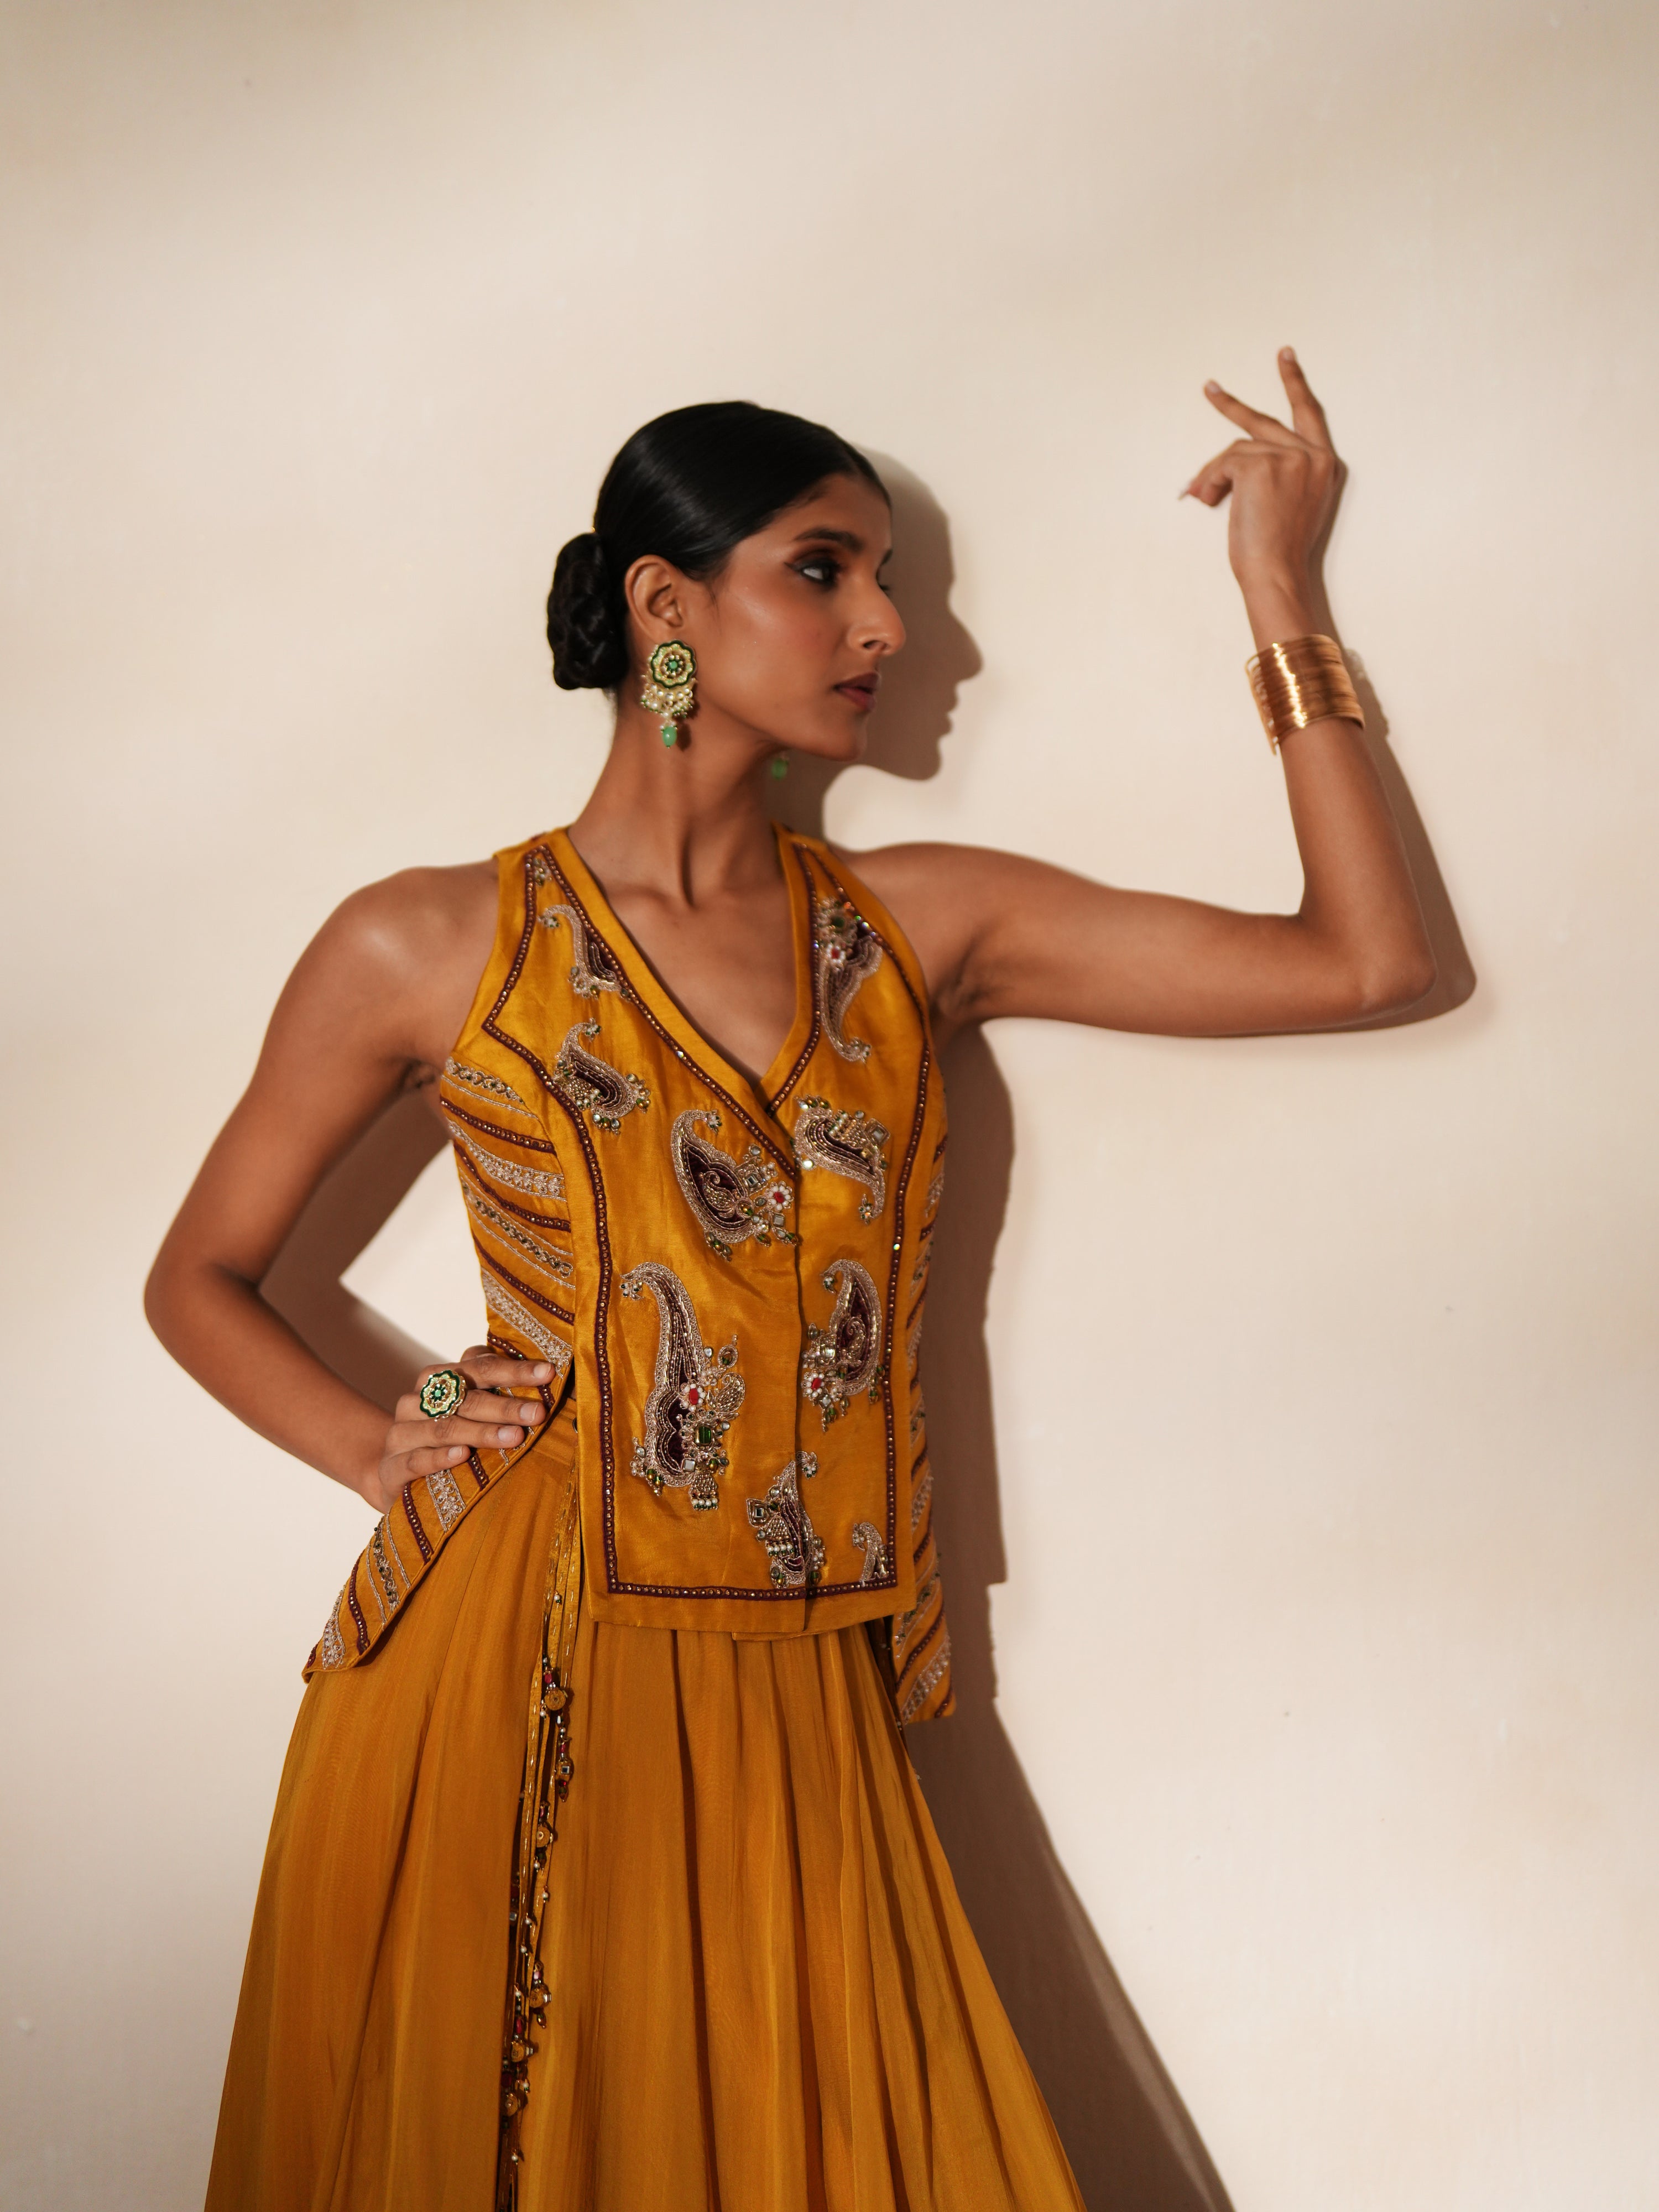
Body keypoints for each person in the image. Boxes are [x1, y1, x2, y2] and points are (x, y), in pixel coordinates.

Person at [147, 357, 1435, 2212]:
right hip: (519, 1650)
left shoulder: (920, 924)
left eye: (888, 576)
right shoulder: (429, 939)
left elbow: (1366, 964)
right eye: (825, 570)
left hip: (814, 1662)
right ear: (666, 609)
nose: (897, 630)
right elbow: (202, 1275)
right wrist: (389, 1435)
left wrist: (1283, 599)